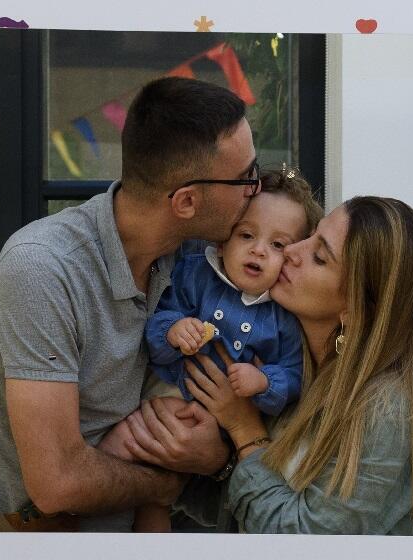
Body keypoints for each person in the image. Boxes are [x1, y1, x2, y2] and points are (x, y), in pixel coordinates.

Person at [0, 76, 256, 532]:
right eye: (244, 179)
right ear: (186, 201)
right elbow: (56, 482)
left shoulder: (204, 261)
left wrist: (215, 458)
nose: (254, 190)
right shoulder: (43, 270)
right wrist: (167, 485)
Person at [127, 196, 413, 534]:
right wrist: (216, 460)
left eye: (319, 256)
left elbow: (303, 541)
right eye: (309, 235)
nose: (293, 251)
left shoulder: (385, 409)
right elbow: (247, 514)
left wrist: (245, 432)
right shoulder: (291, 366)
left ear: (356, 311)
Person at [117, 169, 323, 531]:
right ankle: (59, 518)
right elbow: (160, 320)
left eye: (278, 245)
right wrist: (175, 332)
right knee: (129, 449)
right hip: (170, 391)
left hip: (222, 427)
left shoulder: (283, 316)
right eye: (247, 235)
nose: (259, 249)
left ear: (292, 257)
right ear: (224, 240)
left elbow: (292, 376)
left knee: (161, 489)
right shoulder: (198, 273)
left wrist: (263, 381)